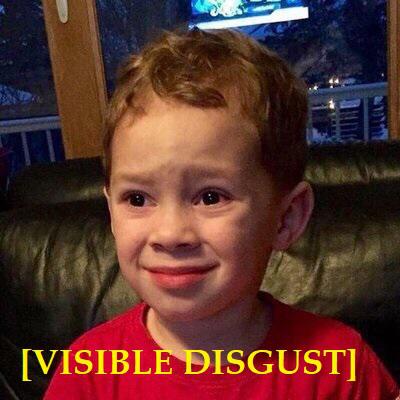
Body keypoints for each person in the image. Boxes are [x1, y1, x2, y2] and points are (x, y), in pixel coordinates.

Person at [44, 27, 400, 399]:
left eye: (210, 197)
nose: (170, 234)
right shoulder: (87, 372)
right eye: (137, 199)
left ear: (287, 218)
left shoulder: (341, 367)